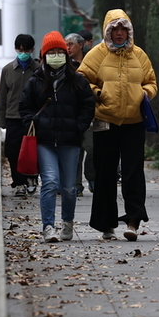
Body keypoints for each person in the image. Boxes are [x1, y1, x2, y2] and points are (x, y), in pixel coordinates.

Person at [77, 9, 157, 241]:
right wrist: (98, 92)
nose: (119, 33)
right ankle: (106, 224)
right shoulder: (96, 54)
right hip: (105, 121)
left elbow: (151, 81)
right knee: (105, 173)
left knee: (133, 172)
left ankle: (133, 221)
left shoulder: (139, 55)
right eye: (114, 29)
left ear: (129, 31)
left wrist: (144, 93)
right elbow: (82, 78)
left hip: (134, 122)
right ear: (107, 31)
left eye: (123, 29)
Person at [20, 31, 95, 242]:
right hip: (44, 141)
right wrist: (33, 123)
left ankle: (67, 223)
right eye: (50, 52)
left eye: (58, 52)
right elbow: (24, 107)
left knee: (69, 188)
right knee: (50, 182)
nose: (55, 56)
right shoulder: (35, 81)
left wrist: (79, 126)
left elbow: (88, 105)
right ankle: (48, 226)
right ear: (44, 56)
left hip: (70, 141)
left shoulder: (77, 80)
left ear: (65, 54)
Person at [0, 34, 40, 197]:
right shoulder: (8, 70)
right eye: (20, 49)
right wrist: (2, 119)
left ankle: (31, 178)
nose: (23, 52)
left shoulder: (37, 70)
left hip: (32, 118)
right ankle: (19, 182)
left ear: (32, 50)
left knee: (32, 152)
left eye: (26, 49)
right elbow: (2, 96)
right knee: (13, 151)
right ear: (16, 49)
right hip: (13, 116)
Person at [65, 32, 94, 197]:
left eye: (71, 44)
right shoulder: (65, 66)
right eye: (66, 45)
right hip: (71, 114)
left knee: (91, 148)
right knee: (75, 151)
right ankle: (76, 184)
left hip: (90, 113)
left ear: (81, 45)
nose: (68, 48)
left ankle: (92, 177)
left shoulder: (92, 62)